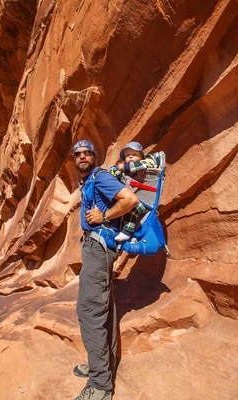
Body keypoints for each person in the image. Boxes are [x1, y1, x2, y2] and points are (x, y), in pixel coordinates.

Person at [71, 139, 139, 400]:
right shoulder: (89, 181)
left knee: (89, 310)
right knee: (103, 308)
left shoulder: (99, 177)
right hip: (95, 248)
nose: (83, 156)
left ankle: (100, 385)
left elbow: (129, 199)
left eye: (88, 152)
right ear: (74, 159)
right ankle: (102, 365)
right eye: (78, 154)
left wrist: (104, 216)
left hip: (100, 248)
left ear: (94, 156)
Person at [111, 142, 165, 243]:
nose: (130, 156)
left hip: (146, 200)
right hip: (135, 198)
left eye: (134, 154)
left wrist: (124, 166)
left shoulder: (146, 163)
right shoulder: (126, 172)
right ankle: (133, 237)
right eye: (127, 155)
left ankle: (127, 232)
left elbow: (139, 165)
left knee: (132, 209)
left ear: (141, 157)